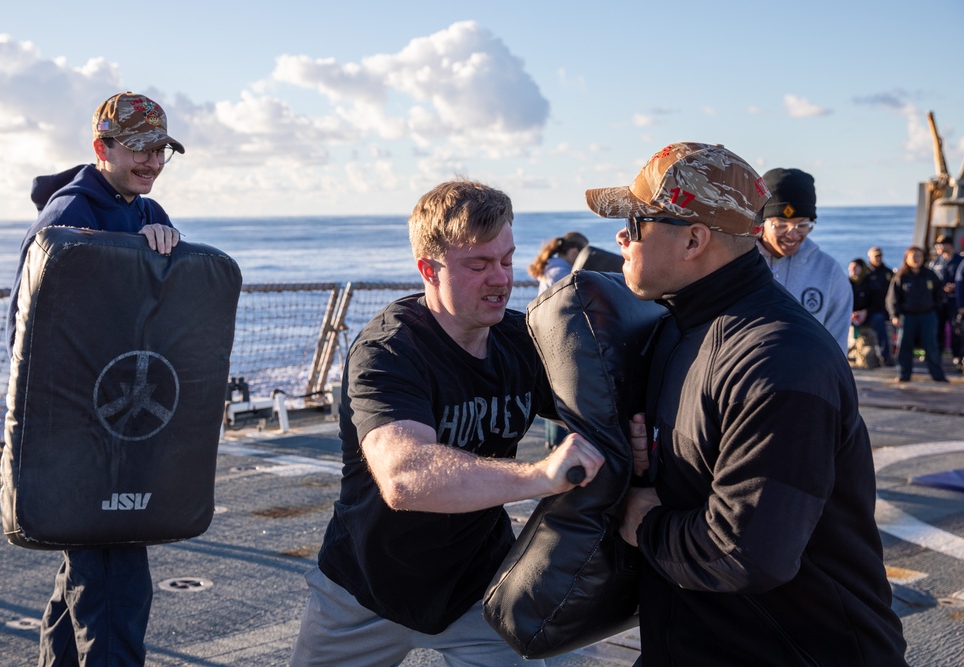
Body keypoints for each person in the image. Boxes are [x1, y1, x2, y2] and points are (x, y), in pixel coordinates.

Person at [584, 141, 907, 665]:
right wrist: (648, 467)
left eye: (637, 222)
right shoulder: (680, 328)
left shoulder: (779, 358)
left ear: (693, 239)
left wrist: (644, 522)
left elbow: (747, 553)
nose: (622, 237)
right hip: (703, 640)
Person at [289, 179, 606, 667]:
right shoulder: (388, 353)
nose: (500, 278)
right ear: (428, 270)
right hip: (365, 590)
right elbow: (406, 476)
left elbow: (603, 405)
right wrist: (541, 476)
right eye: (478, 265)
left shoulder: (520, 341)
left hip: (476, 585)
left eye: (505, 260)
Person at [7, 91, 184, 665]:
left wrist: (166, 254)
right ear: (101, 148)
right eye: (139, 149)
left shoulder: (147, 212)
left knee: (82, 579)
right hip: (81, 435)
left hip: (127, 424)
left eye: (160, 150)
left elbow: (167, 313)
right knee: (116, 584)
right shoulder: (68, 216)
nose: (153, 162)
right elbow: (27, 329)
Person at [755, 168, 852, 352]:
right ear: (761, 222)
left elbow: (837, 342)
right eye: (781, 225)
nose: (792, 234)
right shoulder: (737, 264)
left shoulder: (829, 272)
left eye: (802, 225)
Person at [527, 230, 589, 449]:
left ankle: (553, 441)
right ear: (574, 252)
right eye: (581, 256)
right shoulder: (561, 271)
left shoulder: (551, 267)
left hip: (548, 335)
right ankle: (558, 442)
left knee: (554, 389)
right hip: (555, 337)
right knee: (561, 389)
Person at [887, 246, 948, 383]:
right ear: (907, 259)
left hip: (927, 316)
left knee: (931, 346)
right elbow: (892, 299)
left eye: (919, 256)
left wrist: (933, 308)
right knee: (904, 347)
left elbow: (939, 293)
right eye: (913, 256)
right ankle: (904, 374)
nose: (916, 259)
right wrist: (894, 315)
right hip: (907, 317)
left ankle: (938, 376)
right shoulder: (901, 277)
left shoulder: (930, 275)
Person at [928, 234, 962, 363]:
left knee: (956, 328)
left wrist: (956, 286)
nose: (938, 247)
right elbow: (930, 281)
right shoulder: (935, 262)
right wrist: (942, 288)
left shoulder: (960, 261)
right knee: (937, 328)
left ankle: (957, 356)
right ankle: (937, 355)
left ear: (949, 245)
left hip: (955, 301)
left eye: (941, 244)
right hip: (939, 301)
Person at [865, 246, 896, 365]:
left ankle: (889, 356)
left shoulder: (888, 273)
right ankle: (884, 356)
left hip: (886, 308)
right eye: (876, 256)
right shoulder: (866, 273)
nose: (878, 258)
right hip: (871, 309)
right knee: (878, 322)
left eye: (880, 256)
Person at [848, 258, 880, 368]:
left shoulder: (870, 282)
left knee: (878, 319)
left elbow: (877, 302)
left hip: (868, 314)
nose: (852, 269)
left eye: (855, 267)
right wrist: (851, 312)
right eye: (850, 267)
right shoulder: (846, 283)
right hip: (851, 315)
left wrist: (865, 312)